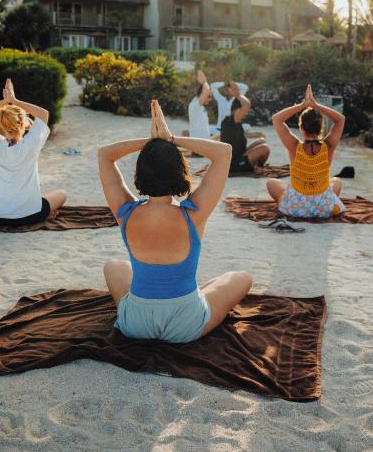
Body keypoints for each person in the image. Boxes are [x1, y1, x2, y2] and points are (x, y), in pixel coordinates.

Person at [99, 99, 252, 343]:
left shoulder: (125, 212)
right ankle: (191, 294)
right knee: (242, 277)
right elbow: (223, 152)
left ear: (140, 173)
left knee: (113, 267)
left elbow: (105, 155)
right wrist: (171, 140)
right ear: (180, 171)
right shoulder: (194, 214)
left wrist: (150, 144)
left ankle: (153, 303)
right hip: (185, 324)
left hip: (134, 324)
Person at [0, 78, 66, 226]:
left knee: (39, 199)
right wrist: (14, 100)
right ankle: (45, 212)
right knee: (62, 194)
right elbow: (44, 115)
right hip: (28, 216)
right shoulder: (29, 145)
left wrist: (5, 101)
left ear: (0, 124)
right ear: (22, 123)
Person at [267, 84, 345, 219]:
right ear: (321, 127)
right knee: (337, 181)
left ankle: (301, 200)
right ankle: (321, 201)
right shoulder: (328, 146)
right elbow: (340, 119)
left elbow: (276, 119)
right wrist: (317, 105)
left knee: (270, 183)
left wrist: (302, 105)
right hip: (324, 209)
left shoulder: (294, 146)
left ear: (301, 127)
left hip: (296, 208)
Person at [220, 83, 270, 173]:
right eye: (244, 111)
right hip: (234, 164)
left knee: (261, 141)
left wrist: (257, 134)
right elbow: (247, 104)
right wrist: (238, 94)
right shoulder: (231, 120)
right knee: (264, 148)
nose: (246, 113)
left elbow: (240, 134)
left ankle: (256, 166)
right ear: (236, 110)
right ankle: (259, 167)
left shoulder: (233, 122)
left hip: (239, 155)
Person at [187, 69, 211, 139]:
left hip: (203, 144)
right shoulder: (194, 105)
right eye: (209, 96)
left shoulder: (201, 107)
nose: (210, 99)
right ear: (202, 94)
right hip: (197, 144)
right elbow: (206, 91)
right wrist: (204, 82)